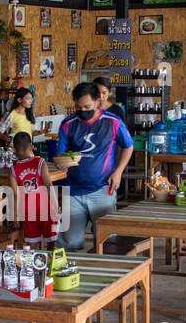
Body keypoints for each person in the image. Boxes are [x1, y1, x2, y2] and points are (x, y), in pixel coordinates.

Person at [55, 82, 134, 251]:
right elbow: (60, 155)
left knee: (107, 241)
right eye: (78, 107)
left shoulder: (112, 122)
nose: (83, 111)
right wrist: (63, 163)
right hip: (73, 192)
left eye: (87, 106)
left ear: (98, 101)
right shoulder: (68, 124)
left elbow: (129, 146)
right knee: (70, 242)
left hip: (103, 189)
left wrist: (118, 172)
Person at [10, 131, 58, 246]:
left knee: (32, 245)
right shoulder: (40, 162)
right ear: (32, 147)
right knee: (52, 242)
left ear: (14, 150)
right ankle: (51, 262)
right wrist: (56, 208)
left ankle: (34, 263)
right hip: (46, 208)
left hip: (28, 211)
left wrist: (15, 218)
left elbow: (16, 195)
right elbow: (49, 186)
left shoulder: (13, 169)